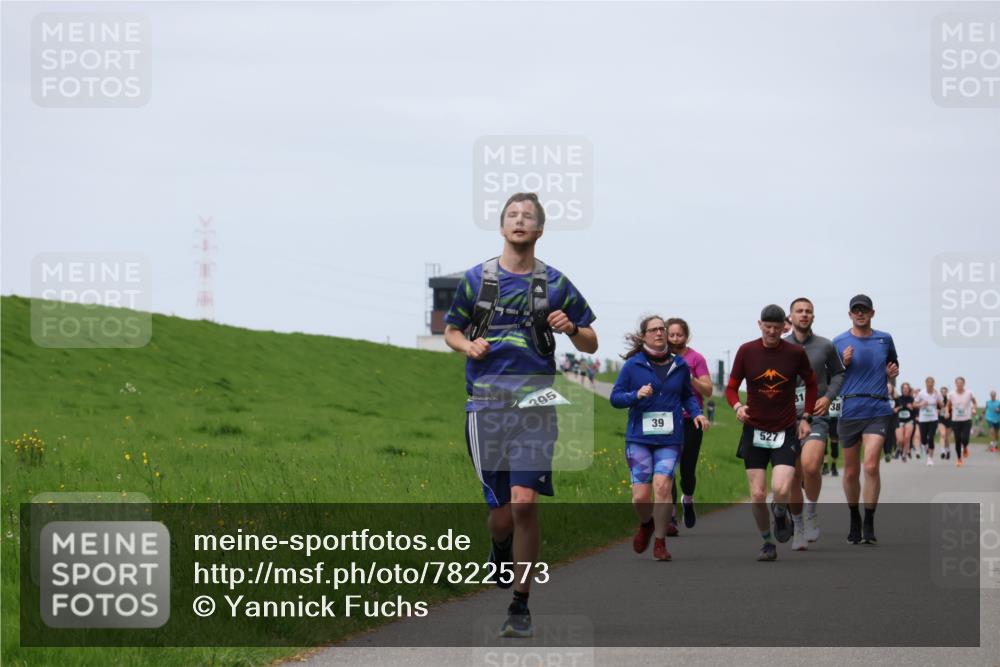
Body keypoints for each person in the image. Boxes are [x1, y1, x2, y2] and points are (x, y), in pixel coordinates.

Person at [443, 192, 598, 638]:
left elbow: (591, 342)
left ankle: (520, 603)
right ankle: (499, 545)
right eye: (512, 214)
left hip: (535, 403)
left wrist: (573, 329)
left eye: (528, 216)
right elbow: (452, 329)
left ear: (540, 230)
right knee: (502, 513)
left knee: (526, 503)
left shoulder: (556, 283)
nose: (519, 220)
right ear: (502, 226)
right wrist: (466, 344)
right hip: (486, 406)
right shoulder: (477, 280)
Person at [610, 315, 709, 561]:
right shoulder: (633, 365)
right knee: (640, 496)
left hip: (669, 438)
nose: (659, 333)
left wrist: (697, 414)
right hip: (639, 439)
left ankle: (661, 543)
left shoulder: (680, 365)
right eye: (653, 329)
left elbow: (688, 395)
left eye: (662, 329)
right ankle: (646, 524)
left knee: (663, 486)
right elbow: (615, 398)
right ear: (644, 335)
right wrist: (636, 395)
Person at [726, 304, 817, 561]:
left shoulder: (795, 353)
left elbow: (811, 384)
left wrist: (806, 417)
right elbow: (731, 387)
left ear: (784, 327)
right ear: (760, 325)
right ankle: (767, 543)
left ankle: (780, 511)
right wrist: (737, 406)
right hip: (754, 429)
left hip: (785, 429)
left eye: (777, 328)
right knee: (756, 494)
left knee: (780, 488)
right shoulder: (747, 351)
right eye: (768, 327)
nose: (773, 332)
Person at [832, 294, 899, 545]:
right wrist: (843, 362)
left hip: (877, 406)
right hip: (850, 409)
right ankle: (854, 517)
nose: (860, 314)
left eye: (865, 310)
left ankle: (869, 520)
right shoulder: (838, 342)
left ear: (872, 313)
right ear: (849, 314)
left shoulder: (885, 339)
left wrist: (891, 374)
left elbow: (893, 367)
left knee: (870, 465)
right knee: (850, 472)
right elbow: (830, 375)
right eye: (855, 310)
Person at [783, 297, 845, 549]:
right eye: (799, 311)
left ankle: (811, 511)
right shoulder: (779, 346)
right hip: (786, 418)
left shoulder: (825, 346)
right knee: (794, 474)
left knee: (810, 467)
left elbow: (839, 373)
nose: (804, 315)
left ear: (813, 317)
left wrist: (829, 397)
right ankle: (797, 524)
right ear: (791, 317)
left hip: (816, 416)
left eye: (808, 311)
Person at [666, 317, 714, 531]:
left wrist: (690, 376)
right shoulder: (660, 357)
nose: (675, 338)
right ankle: (671, 515)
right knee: (666, 469)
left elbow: (708, 390)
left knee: (687, 470)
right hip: (667, 421)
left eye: (679, 334)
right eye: (672, 334)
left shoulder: (696, 358)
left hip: (691, 420)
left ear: (687, 336)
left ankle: (688, 500)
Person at [949, 377, 977, 465]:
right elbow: (948, 405)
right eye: (958, 383)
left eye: (961, 383)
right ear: (955, 384)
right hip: (955, 420)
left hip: (966, 419)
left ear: (964, 384)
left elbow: (974, 402)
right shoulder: (951, 394)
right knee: (957, 440)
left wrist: (974, 409)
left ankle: (965, 447)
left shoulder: (969, 393)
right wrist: (946, 411)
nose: (959, 384)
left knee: (965, 439)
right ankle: (959, 459)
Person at [914, 377, 942, 466]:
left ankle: (930, 458)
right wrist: (921, 404)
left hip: (933, 418)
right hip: (923, 419)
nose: (930, 384)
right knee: (923, 439)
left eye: (932, 383)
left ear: (934, 383)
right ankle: (925, 447)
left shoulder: (937, 393)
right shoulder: (921, 393)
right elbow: (914, 404)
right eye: (928, 383)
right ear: (926, 383)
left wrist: (939, 401)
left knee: (931, 437)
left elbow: (942, 404)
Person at [894, 382, 916, 461]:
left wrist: (912, 407)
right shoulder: (898, 398)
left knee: (907, 438)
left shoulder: (912, 399)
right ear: (902, 389)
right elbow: (894, 410)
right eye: (904, 388)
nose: (905, 390)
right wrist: (898, 408)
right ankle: (899, 448)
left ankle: (904, 455)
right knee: (900, 439)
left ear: (909, 390)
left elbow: (915, 409)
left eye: (907, 388)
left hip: (909, 420)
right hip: (899, 420)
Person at [939, 387, 953, 459]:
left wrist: (948, 410)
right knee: (942, 435)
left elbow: (953, 409)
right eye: (942, 392)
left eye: (945, 391)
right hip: (941, 420)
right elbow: (935, 409)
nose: (943, 393)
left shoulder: (950, 400)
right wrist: (940, 410)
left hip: (949, 420)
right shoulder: (938, 400)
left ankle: (947, 450)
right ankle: (942, 451)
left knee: (947, 437)